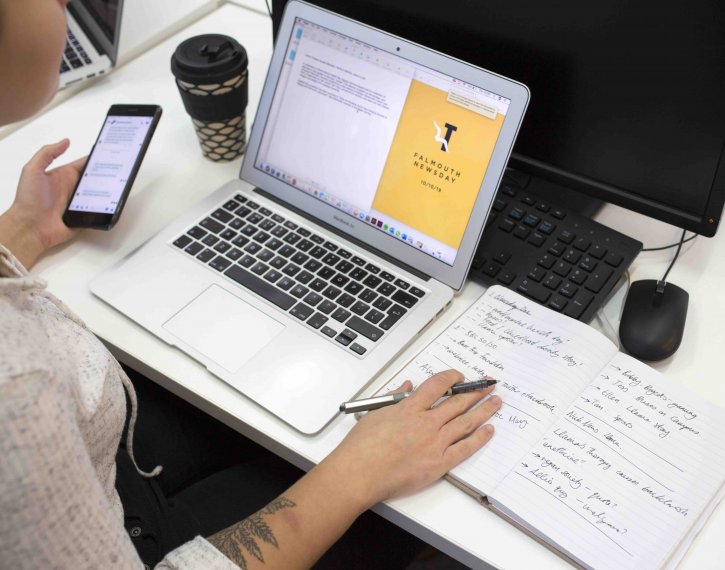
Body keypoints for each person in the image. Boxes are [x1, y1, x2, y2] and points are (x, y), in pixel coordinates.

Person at [0, 1, 502, 569]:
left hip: (103, 452)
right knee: (421, 534)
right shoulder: (17, 397)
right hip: (133, 530)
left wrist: (19, 232)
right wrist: (359, 468)